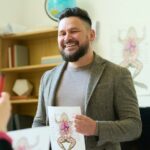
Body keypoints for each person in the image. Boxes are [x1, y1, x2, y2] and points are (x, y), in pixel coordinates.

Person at [32, 7, 142, 150]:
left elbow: (134, 127)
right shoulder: (48, 77)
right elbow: (39, 121)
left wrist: (96, 128)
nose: (67, 38)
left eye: (73, 31)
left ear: (91, 34)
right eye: (62, 33)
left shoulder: (118, 75)